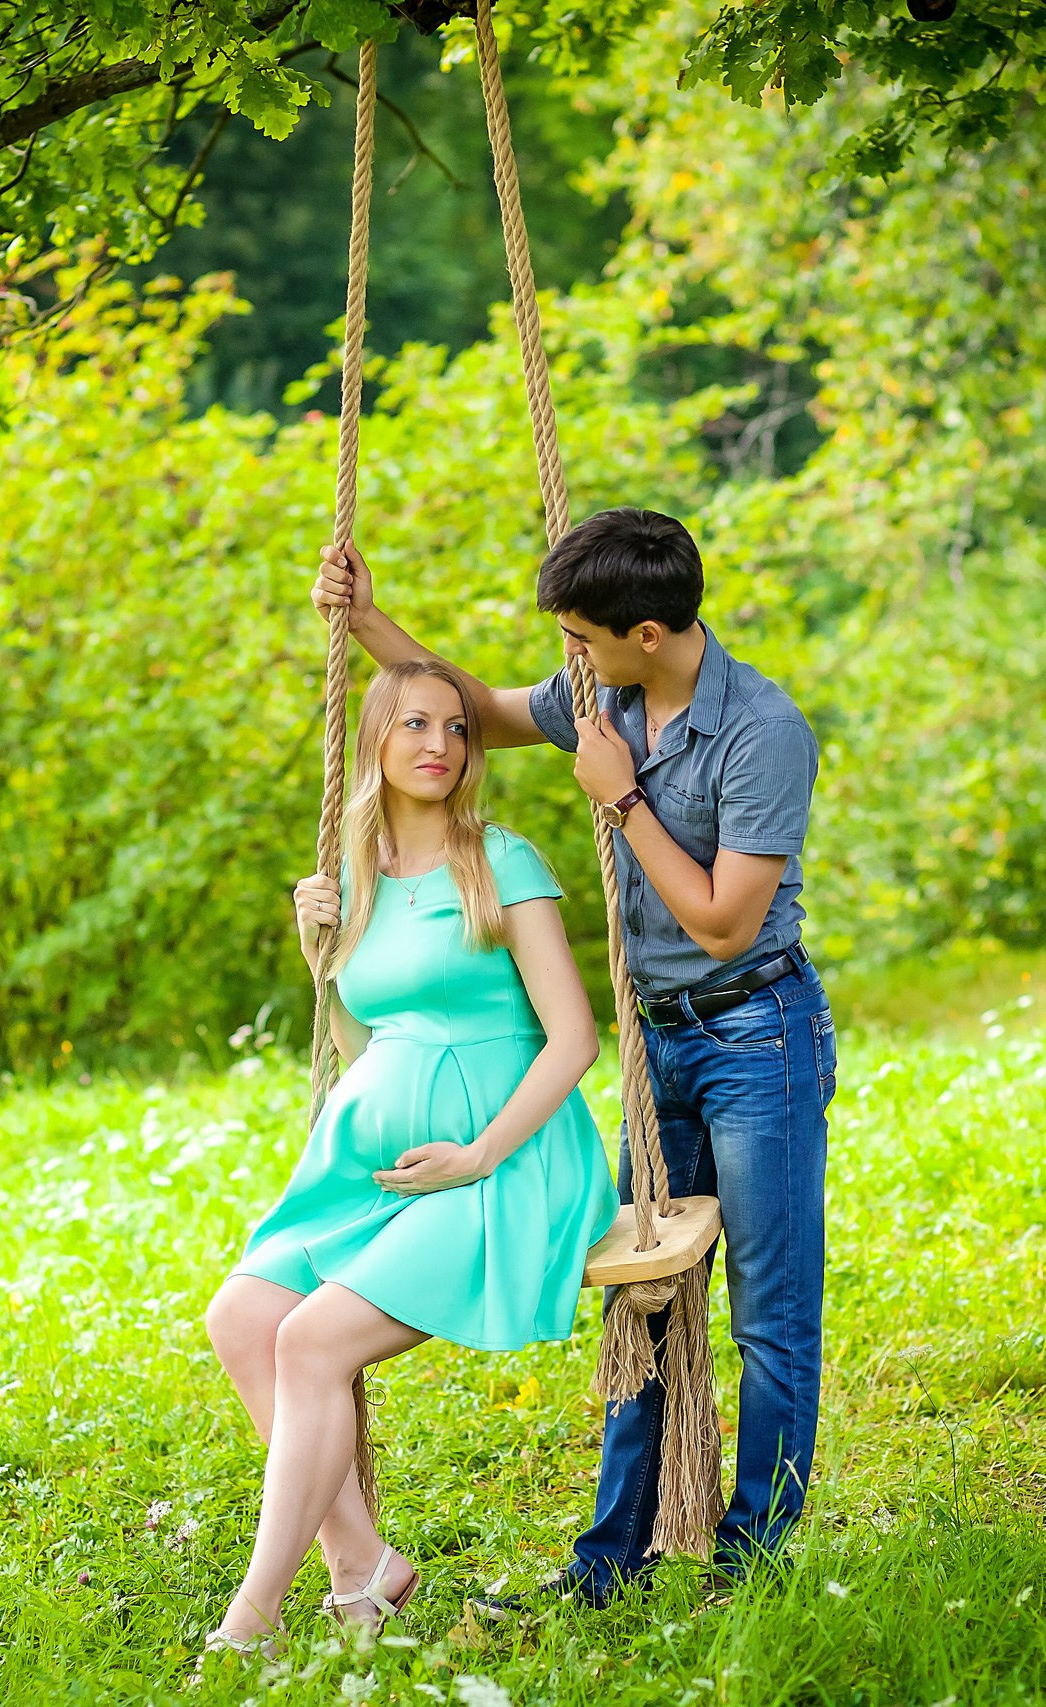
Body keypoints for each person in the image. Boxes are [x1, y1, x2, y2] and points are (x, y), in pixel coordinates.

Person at [311, 506, 834, 1601]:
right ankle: (611, 1563)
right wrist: (369, 623)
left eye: (582, 642)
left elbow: (725, 923)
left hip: (754, 1036)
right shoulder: (609, 691)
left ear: (646, 631)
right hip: (658, 1049)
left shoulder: (762, 732)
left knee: (769, 1311)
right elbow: (470, 714)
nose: (568, 666)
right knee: (641, 1295)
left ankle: (754, 1558)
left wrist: (623, 798)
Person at [202, 658, 617, 1654]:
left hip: (506, 1164)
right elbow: (365, 1049)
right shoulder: (355, 881)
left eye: (456, 729)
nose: (438, 746)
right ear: (376, 743)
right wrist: (321, 963)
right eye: (414, 726)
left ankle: (251, 1622)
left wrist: (477, 1155)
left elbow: (573, 1039)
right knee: (244, 1315)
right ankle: (362, 1569)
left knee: (310, 1342)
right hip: (375, 1170)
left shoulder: (499, 862)